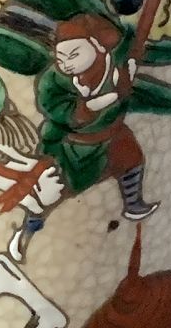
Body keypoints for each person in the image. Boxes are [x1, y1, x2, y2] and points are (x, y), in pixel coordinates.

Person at [36, 14, 160, 220]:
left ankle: (133, 204)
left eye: (74, 55)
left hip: (111, 133)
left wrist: (126, 77)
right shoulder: (53, 79)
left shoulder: (113, 65)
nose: (66, 64)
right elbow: (52, 106)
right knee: (57, 185)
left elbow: (125, 83)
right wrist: (87, 108)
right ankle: (33, 219)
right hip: (72, 143)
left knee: (130, 156)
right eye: (61, 58)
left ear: (98, 46)